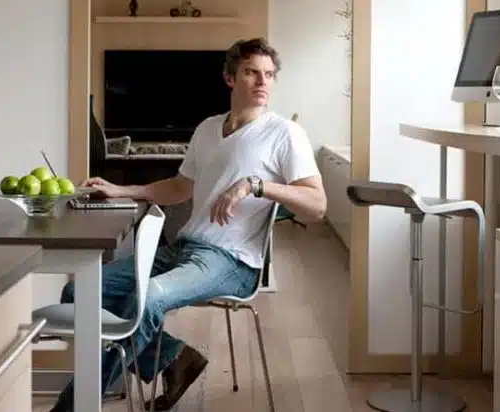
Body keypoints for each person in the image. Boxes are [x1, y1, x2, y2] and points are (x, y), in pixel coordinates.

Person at [51, 37, 327, 412]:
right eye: (251, 72)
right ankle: (174, 358)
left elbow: (317, 205)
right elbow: (181, 187)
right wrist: (122, 190)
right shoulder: (208, 128)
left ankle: (71, 407)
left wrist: (255, 184)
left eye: (269, 74)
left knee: (149, 299)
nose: (263, 81)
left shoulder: (285, 134)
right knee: (80, 292)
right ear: (230, 78)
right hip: (184, 248)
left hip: (232, 261)